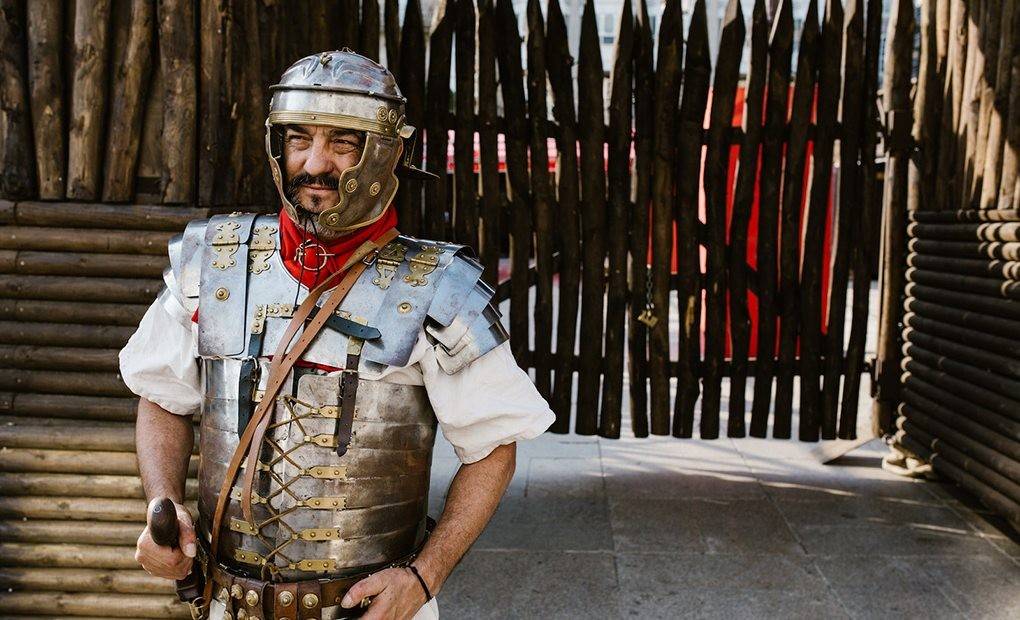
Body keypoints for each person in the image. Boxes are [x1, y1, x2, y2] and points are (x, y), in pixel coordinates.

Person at [120, 49, 554, 620]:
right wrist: (165, 502)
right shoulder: (212, 263)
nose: (314, 163)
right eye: (299, 139)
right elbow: (162, 398)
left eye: (343, 143)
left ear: (385, 154)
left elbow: (494, 448)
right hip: (226, 604)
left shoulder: (435, 289)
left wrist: (424, 578)